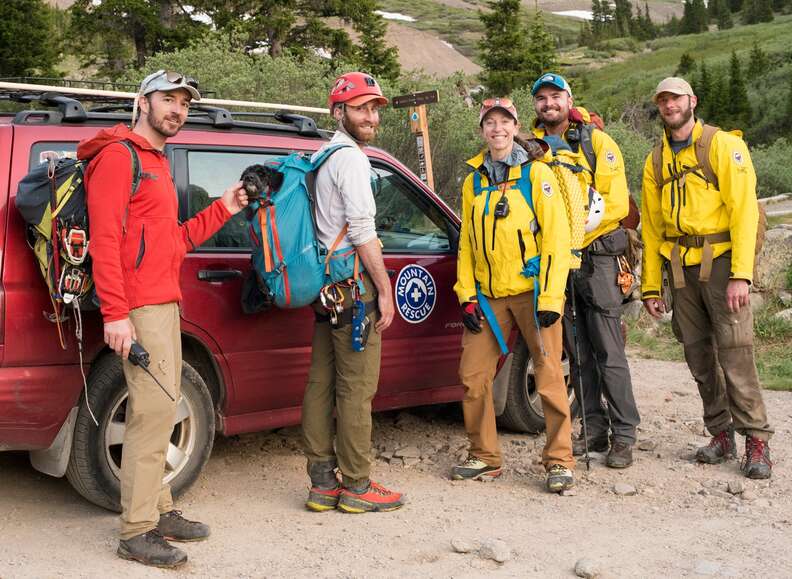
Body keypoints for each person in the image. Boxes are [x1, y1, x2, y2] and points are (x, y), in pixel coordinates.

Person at [81, 70, 248, 567]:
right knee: (151, 418)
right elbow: (105, 242)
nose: (176, 109)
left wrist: (225, 206)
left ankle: (160, 509)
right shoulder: (119, 157)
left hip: (164, 303)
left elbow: (175, 241)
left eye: (183, 104)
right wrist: (116, 314)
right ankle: (136, 531)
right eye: (167, 100)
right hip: (137, 308)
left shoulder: (155, 162)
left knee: (163, 407)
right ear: (142, 101)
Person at [641, 77, 773, 479]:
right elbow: (650, 229)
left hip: (722, 263)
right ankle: (720, 433)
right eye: (663, 100)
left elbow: (744, 213)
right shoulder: (655, 160)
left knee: (735, 351)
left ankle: (756, 439)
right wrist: (650, 285)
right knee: (698, 355)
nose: (669, 106)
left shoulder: (724, 145)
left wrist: (741, 276)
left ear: (692, 101)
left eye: (676, 98)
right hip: (680, 268)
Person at [452, 97, 575, 493]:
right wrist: (466, 295)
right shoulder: (474, 180)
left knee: (549, 375)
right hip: (488, 298)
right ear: (482, 130)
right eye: (490, 123)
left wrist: (552, 299)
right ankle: (485, 457)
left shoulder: (537, 175)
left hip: (533, 292)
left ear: (515, 126)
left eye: (504, 122)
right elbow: (467, 244)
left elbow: (556, 239)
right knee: (473, 376)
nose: (497, 129)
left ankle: (559, 461)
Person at [301, 72, 404, 513]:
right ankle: (358, 486)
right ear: (338, 111)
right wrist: (384, 289)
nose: (370, 116)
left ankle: (323, 483)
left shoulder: (322, 154)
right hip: (353, 289)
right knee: (357, 388)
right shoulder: (352, 160)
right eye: (361, 108)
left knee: (321, 384)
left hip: (326, 288)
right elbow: (362, 231)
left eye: (375, 108)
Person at [530, 73, 641, 468]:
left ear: (568, 99)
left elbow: (615, 201)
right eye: (541, 98)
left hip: (599, 255)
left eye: (555, 96)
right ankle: (593, 430)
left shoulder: (597, 143)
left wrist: (583, 222)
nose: (549, 104)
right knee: (577, 351)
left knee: (608, 348)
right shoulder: (532, 147)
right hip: (558, 259)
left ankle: (624, 434)